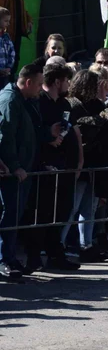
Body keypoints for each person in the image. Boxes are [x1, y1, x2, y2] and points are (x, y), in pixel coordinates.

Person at [22, 63, 81, 273]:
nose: (68, 85)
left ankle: (56, 254)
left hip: (63, 168)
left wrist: (76, 163)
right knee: (40, 214)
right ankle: (34, 257)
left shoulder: (65, 104)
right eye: (66, 80)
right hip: (43, 168)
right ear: (57, 81)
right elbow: (32, 133)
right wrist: (49, 136)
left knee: (61, 213)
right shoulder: (38, 103)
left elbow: (72, 131)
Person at [67, 68, 108, 257]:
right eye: (94, 85)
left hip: (97, 163)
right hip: (82, 162)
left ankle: (86, 245)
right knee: (72, 207)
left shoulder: (96, 104)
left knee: (90, 207)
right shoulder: (72, 104)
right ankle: (62, 244)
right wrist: (104, 114)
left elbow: (107, 128)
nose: (97, 89)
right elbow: (82, 126)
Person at [0, 64, 44, 281]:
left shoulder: (22, 101)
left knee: (14, 216)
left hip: (21, 172)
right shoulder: (10, 101)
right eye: (38, 84)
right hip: (11, 174)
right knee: (8, 215)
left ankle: (9, 257)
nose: (40, 89)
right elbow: (5, 136)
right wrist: (15, 165)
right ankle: (4, 259)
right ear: (28, 82)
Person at [0, 0, 32, 72]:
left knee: (14, 60)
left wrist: (28, 20)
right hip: (5, 35)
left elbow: (21, 8)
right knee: (4, 62)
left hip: (16, 33)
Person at [0, 7, 14, 88]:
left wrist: (9, 67)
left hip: (5, 74)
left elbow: (12, 52)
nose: (8, 24)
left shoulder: (6, 36)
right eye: (6, 21)